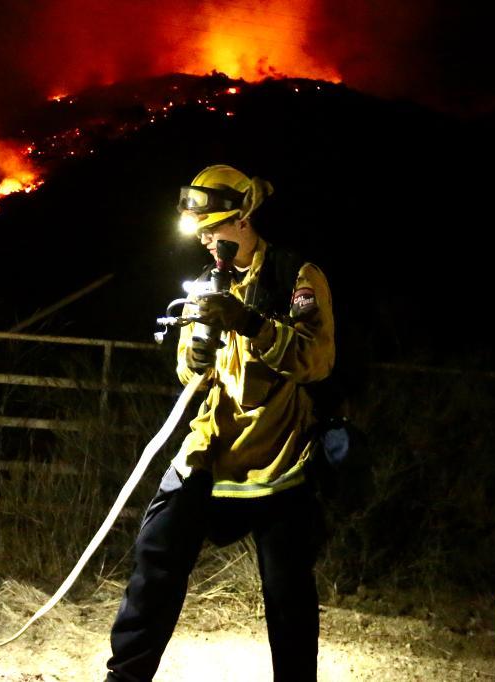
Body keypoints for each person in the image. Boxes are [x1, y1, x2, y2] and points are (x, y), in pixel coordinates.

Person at [106, 165, 335, 681]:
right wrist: (198, 347)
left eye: (218, 229)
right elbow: (189, 370)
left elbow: (316, 361)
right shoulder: (208, 282)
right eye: (203, 232)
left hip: (280, 455)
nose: (209, 241)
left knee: (287, 592)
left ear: (247, 218)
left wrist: (250, 322)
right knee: (155, 561)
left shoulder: (296, 276)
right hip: (211, 446)